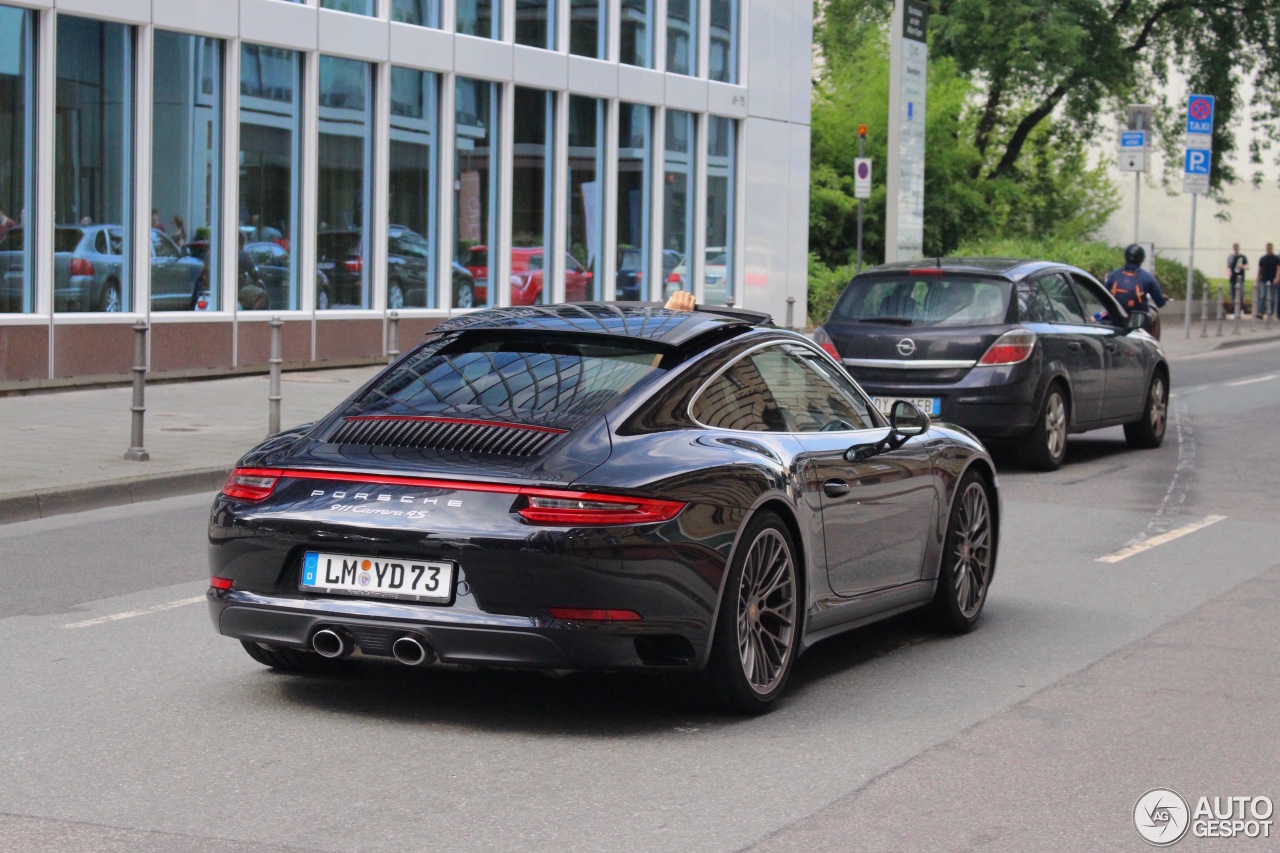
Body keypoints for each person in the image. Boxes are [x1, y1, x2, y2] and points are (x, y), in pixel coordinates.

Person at [1104, 244, 1170, 338]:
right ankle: (1152, 340)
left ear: (1125, 257)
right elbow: (1159, 302)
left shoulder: (1114, 275)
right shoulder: (1147, 277)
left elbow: (1104, 294)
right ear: (1142, 259)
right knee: (1154, 313)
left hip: (1116, 316)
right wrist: (1163, 299)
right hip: (1139, 318)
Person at [1258, 243, 1278, 319]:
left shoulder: (1276, 258)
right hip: (1264, 279)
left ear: (1272, 249)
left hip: (1272, 279)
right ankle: (1261, 312)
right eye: (1267, 248)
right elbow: (1259, 270)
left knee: (1272, 297)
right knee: (1262, 295)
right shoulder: (1263, 259)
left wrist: (1276, 278)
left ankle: (1271, 312)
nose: (1268, 250)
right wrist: (1258, 280)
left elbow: (1278, 268)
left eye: (1270, 248)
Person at [1227, 243, 1247, 312]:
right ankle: (1234, 309)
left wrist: (1242, 266)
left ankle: (1240, 308)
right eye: (1235, 247)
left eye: (1237, 247)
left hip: (1240, 278)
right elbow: (1228, 266)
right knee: (1233, 294)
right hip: (1233, 279)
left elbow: (1248, 266)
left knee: (1241, 294)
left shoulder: (1242, 257)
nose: (1236, 249)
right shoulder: (1231, 257)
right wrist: (1229, 272)